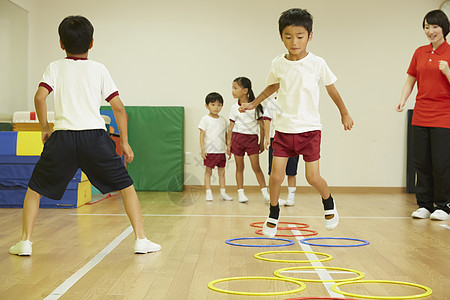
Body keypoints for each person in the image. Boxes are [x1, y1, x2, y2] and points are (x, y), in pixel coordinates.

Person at [9, 15, 161, 256]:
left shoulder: (54, 67)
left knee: (34, 188)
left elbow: (40, 97)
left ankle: (25, 242)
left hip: (63, 138)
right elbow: (118, 107)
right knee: (126, 186)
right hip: (95, 139)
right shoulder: (99, 69)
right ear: (91, 43)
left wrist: (45, 129)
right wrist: (126, 142)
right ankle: (141, 239)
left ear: (61, 43)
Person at [239, 8, 353, 237]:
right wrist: (253, 104)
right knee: (276, 176)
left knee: (312, 177)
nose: (294, 42)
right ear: (281, 36)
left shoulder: (317, 63)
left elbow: (332, 90)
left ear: (310, 36)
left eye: (300, 36)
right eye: (288, 36)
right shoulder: (278, 63)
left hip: (309, 131)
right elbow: (272, 86)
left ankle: (328, 201)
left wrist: (344, 113)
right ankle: (273, 212)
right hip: (283, 130)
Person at [396, 10, 450, 221]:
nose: (430, 31)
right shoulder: (419, 52)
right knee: (422, 162)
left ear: (444, 28)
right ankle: (424, 205)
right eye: (427, 27)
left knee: (441, 163)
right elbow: (411, 79)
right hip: (421, 114)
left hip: (444, 116)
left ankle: (444, 206)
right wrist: (403, 98)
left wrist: (447, 70)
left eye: (434, 26)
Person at [227, 77, 270, 203]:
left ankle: (265, 192)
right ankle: (241, 193)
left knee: (256, 167)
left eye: (235, 88)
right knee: (240, 167)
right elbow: (230, 128)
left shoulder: (256, 106)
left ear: (245, 90)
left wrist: (261, 142)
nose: (232, 91)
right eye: (232, 88)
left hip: (251, 139)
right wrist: (228, 145)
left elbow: (262, 127)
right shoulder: (234, 107)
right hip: (237, 138)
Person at [263, 94, 299, 206]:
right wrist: (267, 138)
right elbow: (267, 121)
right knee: (273, 171)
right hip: (276, 138)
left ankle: (291, 197)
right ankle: (274, 197)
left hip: (293, 138)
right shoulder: (271, 103)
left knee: (292, 170)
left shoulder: (295, 101)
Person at [198, 92, 233, 201]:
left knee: (222, 172)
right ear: (207, 106)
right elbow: (202, 135)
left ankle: (223, 192)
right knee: (208, 172)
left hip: (221, 151)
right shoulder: (205, 119)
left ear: (222, 106)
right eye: (213, 105)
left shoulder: (223, 120)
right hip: (210, 151)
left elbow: (226, 135)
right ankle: (208, 192)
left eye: (219, 105)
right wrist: (203, 149)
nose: (216, 107)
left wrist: (228, 147)